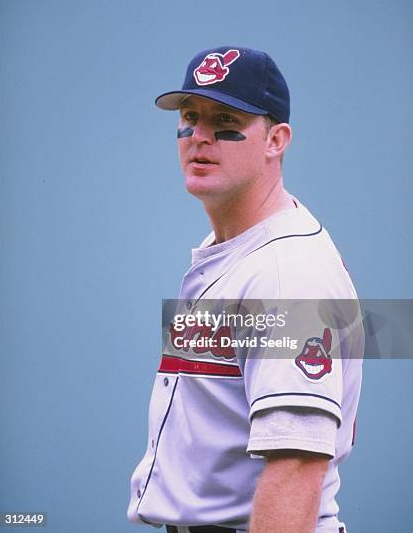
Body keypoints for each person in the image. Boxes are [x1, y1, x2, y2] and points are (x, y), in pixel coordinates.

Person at [127, 46, 363, 533]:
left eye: (225, 118)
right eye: (190, 116)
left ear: (276, 140)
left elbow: (297, 466)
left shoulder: (286, 274)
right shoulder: (233, 247)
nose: (200, 136)